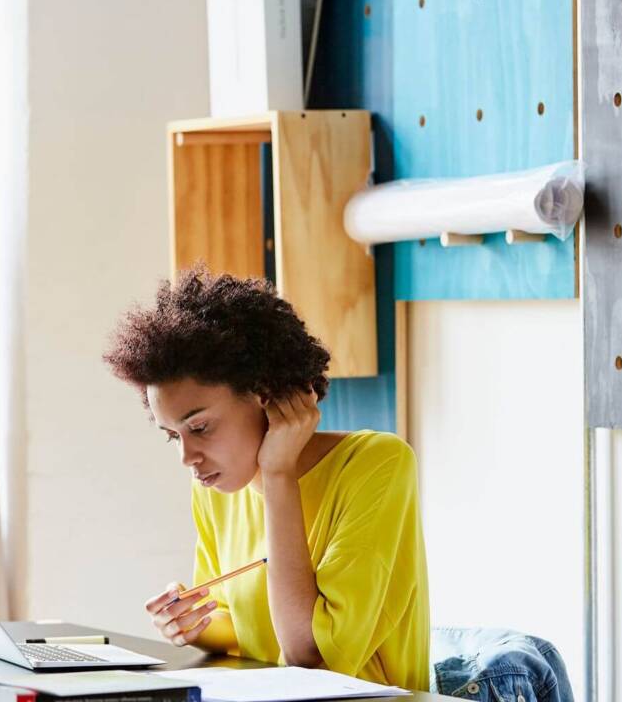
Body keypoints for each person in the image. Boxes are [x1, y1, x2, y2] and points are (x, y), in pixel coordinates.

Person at [103, 267, 430, 691]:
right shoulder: (217, 486)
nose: (188, 457)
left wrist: (279, 473)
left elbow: (309, 657)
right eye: (173, 436)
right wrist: (193, 625)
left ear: (266, 394)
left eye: (199, 428)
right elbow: (246, 627)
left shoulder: (377, 465)